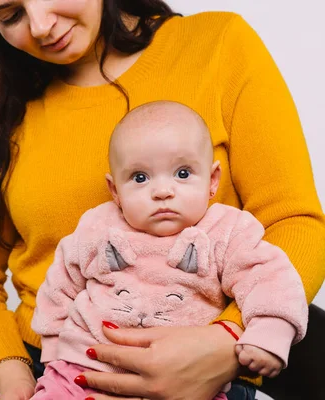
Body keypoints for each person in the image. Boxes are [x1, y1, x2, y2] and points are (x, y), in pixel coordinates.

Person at [0, 1, 325, 399]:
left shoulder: (217, 45)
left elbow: (293, 220)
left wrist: (227, 340)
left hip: (202, 361)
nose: (41, 26)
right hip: (48, 361)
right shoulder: (4, 114)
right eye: (10, 16)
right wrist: (9, 370)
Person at [29, 101, 309, 400]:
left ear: (212, 180)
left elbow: (272, 280)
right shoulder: (98, 227)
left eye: (183, 173)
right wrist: (54, 349)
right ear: (115, 191)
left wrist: (269, 333)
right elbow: (59, 285)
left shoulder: (227, 231)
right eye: (140, 177)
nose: (163, 191)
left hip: (187, 382)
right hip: (81, 370)